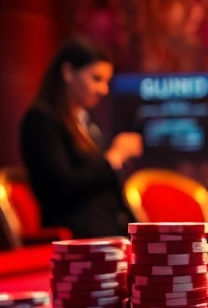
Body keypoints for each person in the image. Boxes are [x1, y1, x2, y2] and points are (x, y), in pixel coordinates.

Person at [20, 37, 143, 238]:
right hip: (77, 240)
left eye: (106, 82)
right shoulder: (41, 119)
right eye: (96, 79)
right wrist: (113, 158)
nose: (104, 90)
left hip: (110, 235)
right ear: (68, 72)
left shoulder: (87, 121)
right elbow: (60, 187)